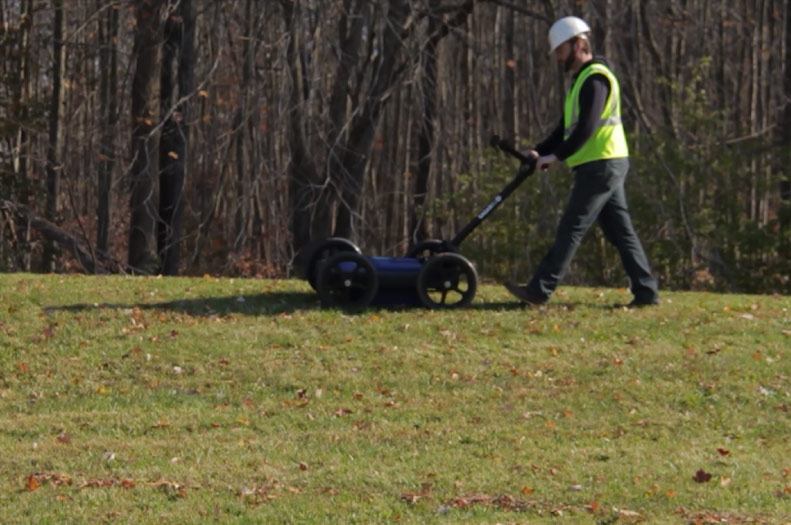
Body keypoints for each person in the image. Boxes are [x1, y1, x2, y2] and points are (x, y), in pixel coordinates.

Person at [505, 16, 659, 308]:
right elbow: (566, 127)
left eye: (561, 50)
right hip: (604, 163)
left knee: (571, 228)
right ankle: (646, 292)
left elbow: (587, 128)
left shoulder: (596, 78)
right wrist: (539, 151)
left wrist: (557, 156)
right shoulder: (582, 81)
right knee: (620, 232)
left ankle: (539, 290)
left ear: (578, 45)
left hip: (601, 164)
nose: (558, 58)